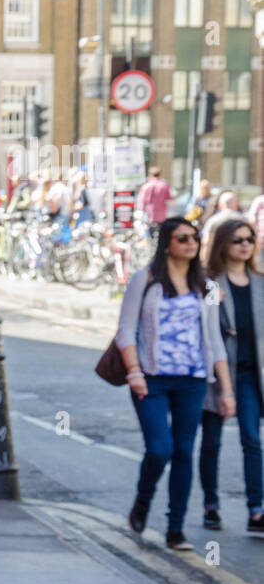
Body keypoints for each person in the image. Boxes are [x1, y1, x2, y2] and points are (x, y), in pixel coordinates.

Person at [117, 217, 233, 550]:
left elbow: (214, 338)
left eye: (195, 238)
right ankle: (143, 499)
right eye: (183, 238)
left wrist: (225, 390)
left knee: (184, 451)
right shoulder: (145, 280)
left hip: (192, 380)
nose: (191, 243)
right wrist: (134, 371)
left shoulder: (207, 288)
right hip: (150, 379)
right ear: (168, 242)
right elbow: (126, 330)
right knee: (160, 448)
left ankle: (175, 528)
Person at [199, 216, 264, 533]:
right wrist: (210, 300)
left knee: (252, 440)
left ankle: (256, 510)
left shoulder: (261, 282)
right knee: (211, 442)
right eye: (237, 239)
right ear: (224, 244)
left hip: (252, 374)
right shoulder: (211, 283)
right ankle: (211, 505)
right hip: (219, 372)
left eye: (249, 239)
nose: (244, 245)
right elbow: (206, 328)